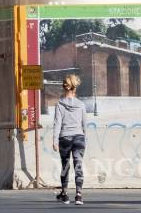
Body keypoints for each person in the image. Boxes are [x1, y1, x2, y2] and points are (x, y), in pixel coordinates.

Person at [52, 74, 88, 205]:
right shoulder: (81, 105)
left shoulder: (60, 104)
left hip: (65, 138)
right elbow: (84, 124)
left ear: (64, 87)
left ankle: (65, 195)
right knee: (78, 165)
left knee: (65, 165)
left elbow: (57, 123)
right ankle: (79, 195)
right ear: (75, 88)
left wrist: (55, 140)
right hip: (79, 138)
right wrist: (86, 140)